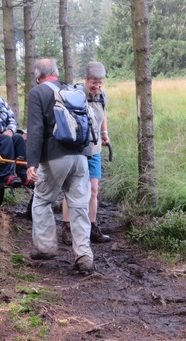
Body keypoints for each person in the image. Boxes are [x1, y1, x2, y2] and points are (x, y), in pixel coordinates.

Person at [26, 58, 95, 275]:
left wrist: (32, 163)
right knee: (79, 206)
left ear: (38, 75)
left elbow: (36, 130)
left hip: (56, 156)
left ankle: (46, 247)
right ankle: (84, 255)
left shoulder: (38, 93)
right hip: (81, 157)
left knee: (42, 200)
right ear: (56, 73)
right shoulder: (72, 90)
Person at [61, 61, 111, 245]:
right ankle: (67, 228)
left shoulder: (103, 95)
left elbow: (102, 114)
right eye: (94, 83)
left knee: (93, 190)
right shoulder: (75, 95)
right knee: (71, 188)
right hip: (76, 149)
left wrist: (104, 134)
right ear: (85, 79)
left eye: (100, 83)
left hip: (95, 149)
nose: (97, 87)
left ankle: (92, 227)